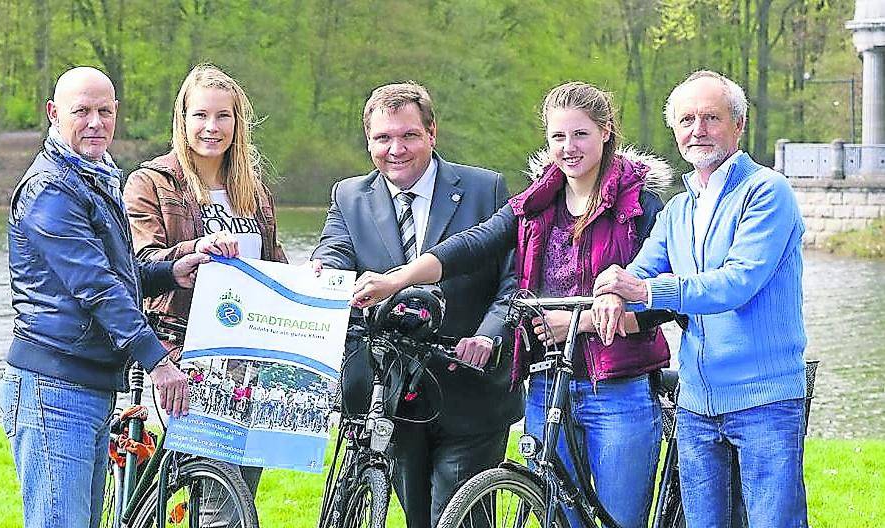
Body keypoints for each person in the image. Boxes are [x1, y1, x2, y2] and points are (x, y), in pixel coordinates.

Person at [350, 81, 675, 526]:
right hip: (547, 383)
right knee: (557, 517)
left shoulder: (641, 207)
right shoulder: (539, 202)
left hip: (616, 388)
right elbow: (472, 245)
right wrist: (396, 280)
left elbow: (663, 305)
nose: (568, 147)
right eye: (558, 137)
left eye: (580, 134)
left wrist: (575, 324)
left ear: (605, 131)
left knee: (620, 519)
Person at [591, 70, 808, 527]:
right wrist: (614, 288)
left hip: (763, 399)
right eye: (687, 119)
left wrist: (648, 292)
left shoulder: (767, 191)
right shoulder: (677, 208)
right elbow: (642, 269)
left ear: (739, 125)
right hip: (695, 402)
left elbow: (737, 282)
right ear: (674, 131)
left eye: (711, 117)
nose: (698, 130)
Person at [0, 66, 208, 528]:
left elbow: (116, 274)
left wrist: (171, 272)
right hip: (52, 387)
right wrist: (157, 361)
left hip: (88, 384)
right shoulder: (51, 189)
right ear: (54, 114)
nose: (95, 122)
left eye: (104, 112)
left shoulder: (94, 176)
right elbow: (95, 287)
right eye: (82, 111)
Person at [312, 81, 523, 527]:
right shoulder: (349, 196)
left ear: (432, 133)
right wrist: (324, 276)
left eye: (408, 135)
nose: (396, 149)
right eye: (383, 138)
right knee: (415, 517)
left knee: (460, 515)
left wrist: (489, 335)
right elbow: (333, 253)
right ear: (368, 141)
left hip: (470, 384)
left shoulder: (486, 189)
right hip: (387, 389)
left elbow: (513, 281)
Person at [124, 63, 287, 503]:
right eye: (200, 115)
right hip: (182, 349)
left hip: (251, 355)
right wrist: (196, 247)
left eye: (223, 116)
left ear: (238, 122)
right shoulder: (151, 182)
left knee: (241, 494)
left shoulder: (253, 189)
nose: (212, 128)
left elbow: (274, 266)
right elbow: (139, 264)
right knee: (216, 493)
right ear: (182, 120)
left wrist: (312, 282)